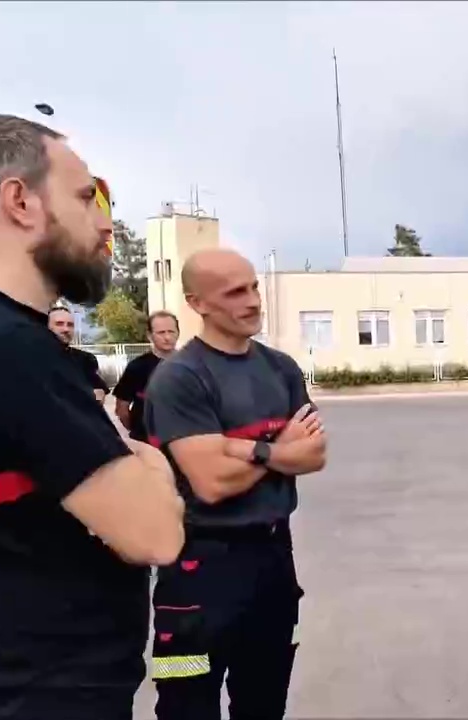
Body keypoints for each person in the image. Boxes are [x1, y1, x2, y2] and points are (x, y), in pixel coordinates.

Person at [0, 112, 186, 720]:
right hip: (38, 696)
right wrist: (148, 459)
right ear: (20, 203)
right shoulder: (9, 353)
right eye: (86, 197)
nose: (104, 221)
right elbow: (155, 534)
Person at [143, 247, 326, 720]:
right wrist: (275, 449)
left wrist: (240, 447)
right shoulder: (180, 377)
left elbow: (313, 454)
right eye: (235, 292)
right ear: (197, 302)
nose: (252, 302)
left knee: (264, 702)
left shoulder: (281, 368)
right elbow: (211, 483)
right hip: (200, 572)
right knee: (187, 706)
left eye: (254, 288)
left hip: (271, 562)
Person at [113, 310, 180, 442]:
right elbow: (122, 409)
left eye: (171, 331)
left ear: (178, 333)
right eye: (161, 332)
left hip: (183, 441)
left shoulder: (193, 364)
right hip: (147, 441)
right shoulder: (137, 367)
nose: (167, 337)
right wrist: (138, 431)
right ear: (150, 336)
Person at [47, 304, 109, 402]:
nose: (66, 329)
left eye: (70, 325)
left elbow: (99, 393)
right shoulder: (32, 356)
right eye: (59, 324)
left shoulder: (85, 359)